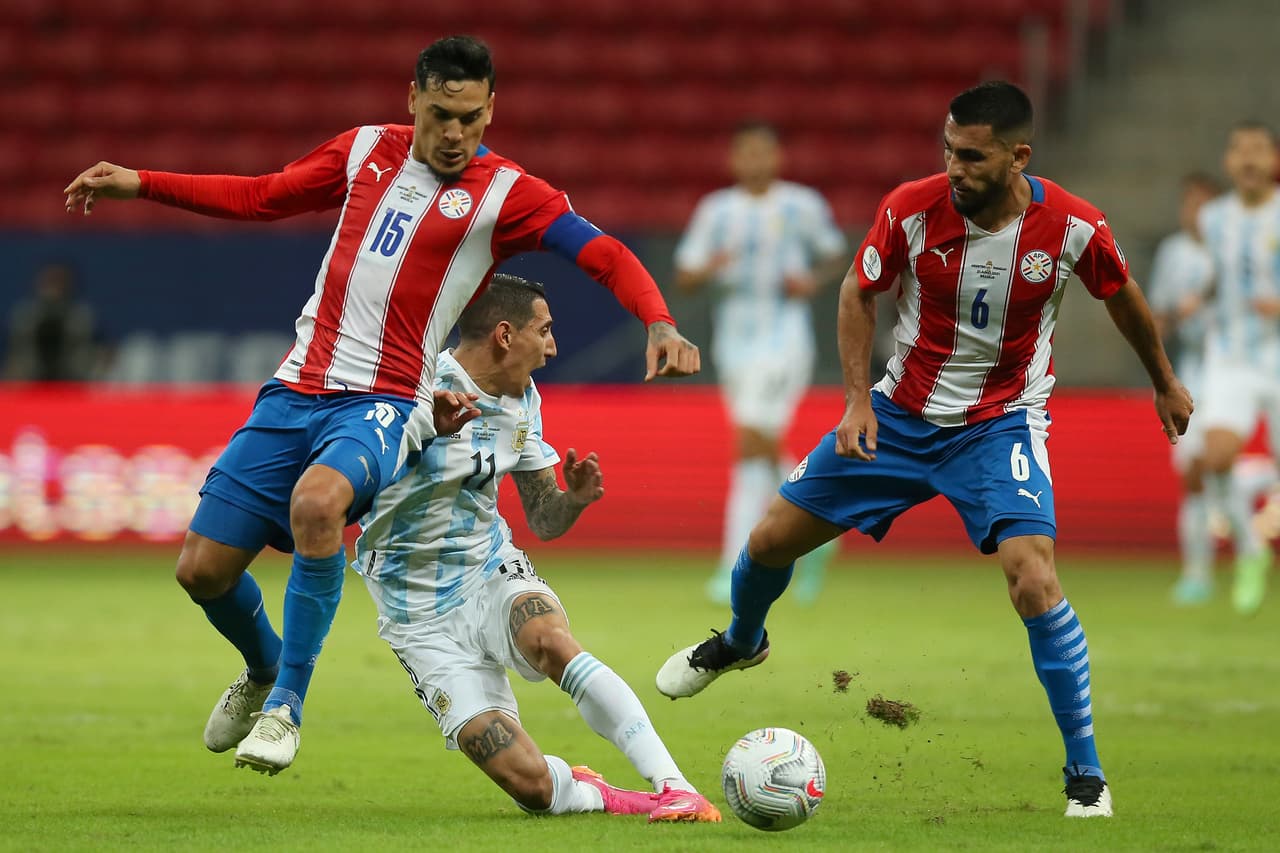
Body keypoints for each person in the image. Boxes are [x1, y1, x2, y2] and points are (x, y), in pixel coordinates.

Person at [62, 35, 700, 776]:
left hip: (387, 398)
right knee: (201, 570)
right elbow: (263, 194)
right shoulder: (366, 149)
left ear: (491, 108)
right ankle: (266, 665)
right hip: (296, 387)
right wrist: (142, 181)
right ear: (412, 100)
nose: (455, 133)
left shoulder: (508, 194)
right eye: (440, 114)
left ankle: (286, 707)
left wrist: (656, 317)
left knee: (318, 505)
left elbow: (604, 254)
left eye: (470, 116)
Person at [655, 81, 1193, 819]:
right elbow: (856, 292)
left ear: (1017, 156)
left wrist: (1164, 381)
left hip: (1000, 423)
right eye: (948, 150)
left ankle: (1086, 774)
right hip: (899, 415)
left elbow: (1122, 292)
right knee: (770, 539)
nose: (955, 168)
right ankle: (742, 640)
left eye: (972, 156)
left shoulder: (1071, 226)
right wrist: (853, 400)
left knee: (1033, 577)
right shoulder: (911, 207)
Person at [356, 274, 719, 822]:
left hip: (486, 568)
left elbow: (543, 519)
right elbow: (353, 483)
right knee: (532, 788)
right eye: (544, 331)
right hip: (415, 613)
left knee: (546, 636)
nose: (553, 347)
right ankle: (604, 793)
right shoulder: (414, 385)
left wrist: (572, 500)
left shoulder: (523, 399)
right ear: (505, 334)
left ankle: (675, 787)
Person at [674, 121, 847, 605]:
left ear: (776, 158)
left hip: (784, 335)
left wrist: (810, 280)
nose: (754, 162)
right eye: (745, 153)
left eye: (762, 153)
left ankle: (734, 564)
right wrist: (711, 268)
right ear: (734, 160)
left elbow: (836, 255)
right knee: (754, 450)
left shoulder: (800, 204)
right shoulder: (717, 210)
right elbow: (685, 274)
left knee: (749, 443)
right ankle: (821, 526)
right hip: (734, 338)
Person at [1195, 120, 1280, 615]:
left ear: (1272, 160)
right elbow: (1220, 278)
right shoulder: (1212, 218)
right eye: (1239, 150)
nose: (1248, 160)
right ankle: (1251, 551)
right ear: (1229, 162)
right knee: (1217, 457)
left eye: (1258, 151)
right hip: (1229, 355)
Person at [1147, 173, 1220, 604]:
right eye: (1189, 203)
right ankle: (1198, 573)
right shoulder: (1173, 252)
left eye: (1203, 203)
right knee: (1192, 472)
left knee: (1217, 461)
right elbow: (1155, 318)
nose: (1195, 212)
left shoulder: (1235, 246)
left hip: (1242, 364)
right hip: (1193, 369)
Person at [3, 262, 97, 381]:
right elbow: (16, 358)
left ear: (69, 285)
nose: (53, 288)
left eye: (58, 282)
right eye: (49, 282)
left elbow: (85, 359)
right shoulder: (24, 316)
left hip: (71, 384)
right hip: (28, 384)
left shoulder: (82, 317)